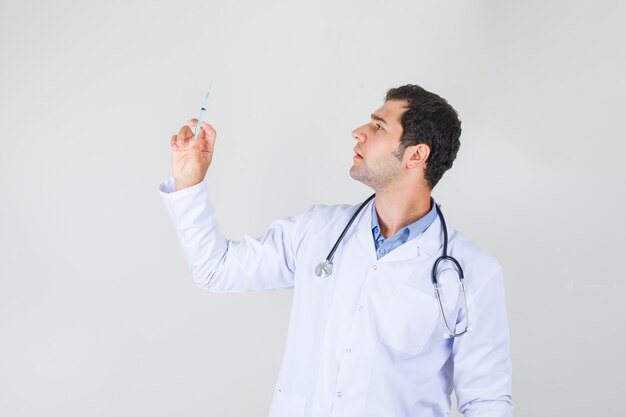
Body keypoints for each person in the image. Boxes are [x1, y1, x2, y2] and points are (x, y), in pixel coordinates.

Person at [159, 84, 513, 417]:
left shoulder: (472, 273)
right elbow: (216, 269)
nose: (359, 132)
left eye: (379, 126)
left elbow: (486, 401)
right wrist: (189, 183)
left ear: (416, 155)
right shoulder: (317, 230)